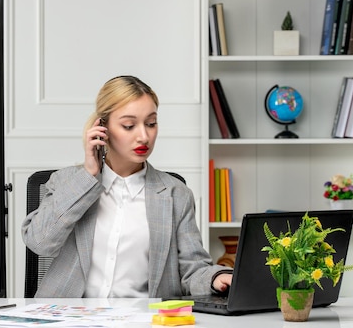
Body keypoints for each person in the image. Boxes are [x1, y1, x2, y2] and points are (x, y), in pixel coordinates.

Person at [22, 75, 233, 298]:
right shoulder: (66, 182)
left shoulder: (176, 195)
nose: (143, 136)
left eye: (151, 123)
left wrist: (216, 278)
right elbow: (39, 242)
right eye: (129, 125)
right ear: (102, 128)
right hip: (71, 318)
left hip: (142, 318)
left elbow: (193, 270)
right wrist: (88, 175)